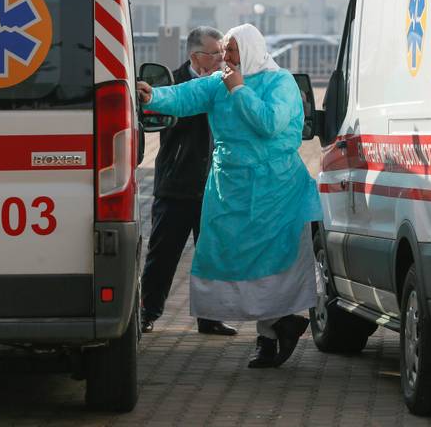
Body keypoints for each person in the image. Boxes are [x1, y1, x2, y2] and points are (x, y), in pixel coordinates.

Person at [137, 23, 321, 369]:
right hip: (231, 187)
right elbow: (187, 95)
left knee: (271, 260)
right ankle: (279, 323)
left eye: (232, 51)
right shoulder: (221, 79)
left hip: (275, 189)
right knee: (230, 254)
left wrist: (239, 90)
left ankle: (270, 335)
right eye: (224, 51)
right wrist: (154, 96)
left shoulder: (279, 83)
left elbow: (269, 123)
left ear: (250, 50)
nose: (227, 58)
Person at [141, 26, 238, 337]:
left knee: (212, 255)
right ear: (196, 55)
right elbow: (158, 114)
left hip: (214, 185)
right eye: (216, 54)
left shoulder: (226, 84)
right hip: (177, 182)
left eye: (223, 54)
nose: (222, 60)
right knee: (163, 254)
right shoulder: (171, 82)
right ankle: (147, 312)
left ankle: (210, 317)